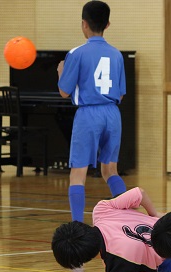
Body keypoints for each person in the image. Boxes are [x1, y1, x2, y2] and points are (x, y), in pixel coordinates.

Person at [57, 1, 127, 222]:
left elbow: (64, 92)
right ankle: (128, 219)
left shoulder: (76, 53)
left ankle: (77, 227)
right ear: (107, 24)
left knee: (78, 174)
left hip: (89, 114)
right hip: (113, 113)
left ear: (83, 24)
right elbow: (121, 93)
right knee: (110, 170)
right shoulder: (117, 54)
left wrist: (61, 72)